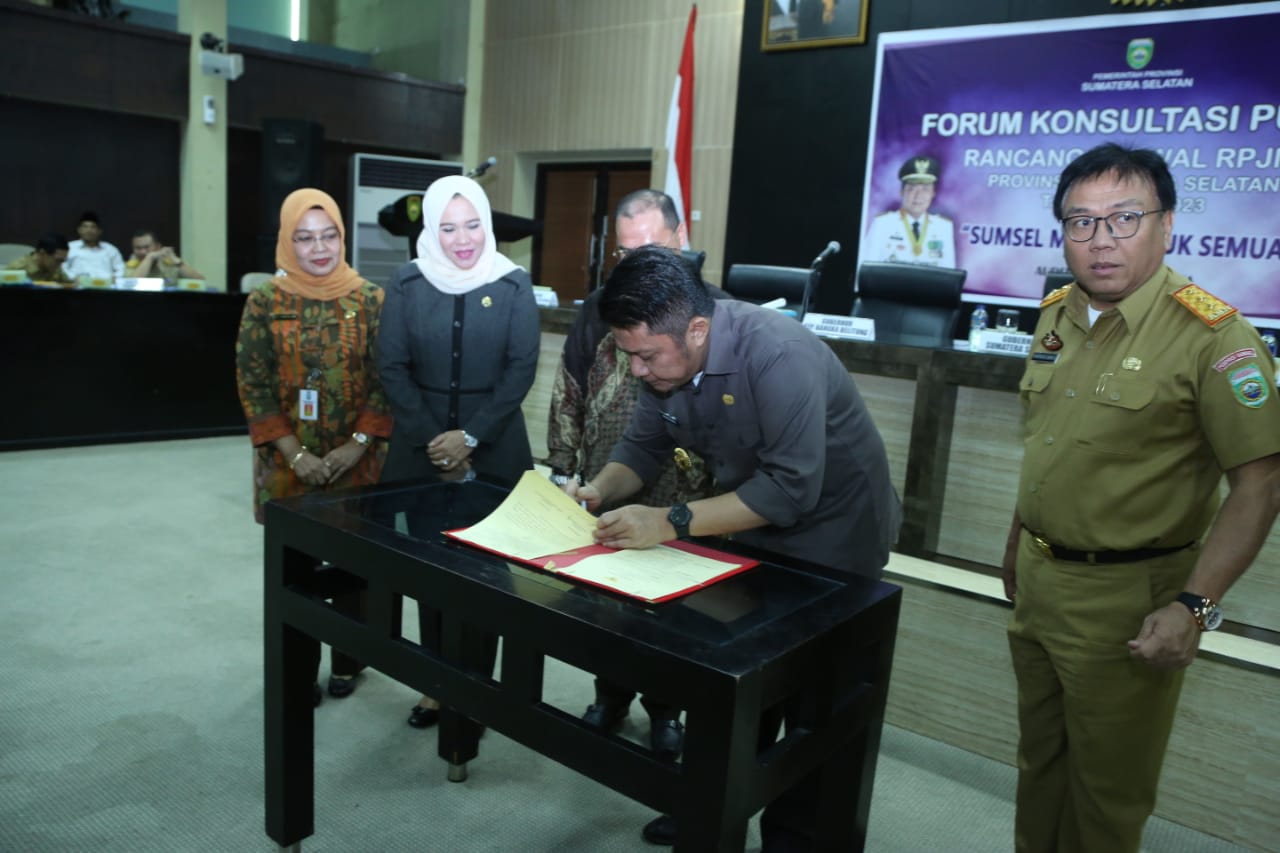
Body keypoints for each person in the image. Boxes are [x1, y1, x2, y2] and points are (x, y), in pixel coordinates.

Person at [568, 246, 902, 851]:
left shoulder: (778, 354)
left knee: (814, 709)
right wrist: (596, 490)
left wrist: (669, 520)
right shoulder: (665, 363)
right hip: (748, 526)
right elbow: (642, 448)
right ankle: (710, 809)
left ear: (698, 330)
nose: (636, 371)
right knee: (735, 685)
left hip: (835, 539)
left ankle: (794, 839)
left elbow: (789, 491)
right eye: (628, 355)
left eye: (646, 356)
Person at [1002, 143, 1280, 853]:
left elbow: (1261, 482)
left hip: (1128, 600)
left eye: (1124, 218)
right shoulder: (1057, 313)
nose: (1101, 241)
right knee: (1039, 766)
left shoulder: (1214, 338)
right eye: (1081, 222)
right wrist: (1016, 543)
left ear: (1167, 224)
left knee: (1106, 795)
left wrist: (1195, 606)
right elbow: (1047, 444)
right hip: (1039, 582)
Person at [546, 189, 725, 759]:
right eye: (625, 253)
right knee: (608, 606)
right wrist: (563, 467)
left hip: (683, 491)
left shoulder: (709, 311)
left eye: (651, 247)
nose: (637, 262)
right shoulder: (599, 308)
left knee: (673, 613)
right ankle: (610, 696)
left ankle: (666, 710)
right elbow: (568, 390)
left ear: (680, 239)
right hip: (613, 471)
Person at [377, 174, 540, 729]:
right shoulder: (407, 281)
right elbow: (392, 366)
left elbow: (521, 369)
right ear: (430, 228)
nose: (462, 239)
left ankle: (477, 685)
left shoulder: (513, 283)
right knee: (430, 569)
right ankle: (434, 684)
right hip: (420, 449)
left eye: (472, 225)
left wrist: (470, 437)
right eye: (447, 228)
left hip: (495, 450)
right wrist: (435, 440)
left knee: (487, 575)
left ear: (487, 225)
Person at [234, 188, 392, 704]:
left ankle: (349, 660)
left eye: (329, 236)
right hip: (287, 464)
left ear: (343, 238)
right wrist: (295, 454)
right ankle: (298, 671)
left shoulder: (371, 299)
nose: (319, 248)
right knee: (294, 572)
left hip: (358, 461)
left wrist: (357, 444)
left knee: (352, 571)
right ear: (287, 241)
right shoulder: (265, 301)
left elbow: (387, 379)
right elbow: (252, 383)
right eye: (304, 238)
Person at [863, 155, 956, 268]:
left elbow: (948, 273)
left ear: (933, 193)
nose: (918, 196)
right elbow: (867, 270)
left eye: (925, 189)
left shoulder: (944, 227)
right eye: (912, 189)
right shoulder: (882, 224)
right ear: (901, 192)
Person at [64, 211, 126, 282]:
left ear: (100, 231)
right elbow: (62, 267)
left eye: (93, 227)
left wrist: (115, 278)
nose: (89, 230)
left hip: (106, 287)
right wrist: (72, 278)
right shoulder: (70, 248)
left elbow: (121, 268)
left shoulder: (110, 249)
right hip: (77, 285)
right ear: (79, 230)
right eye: (85, 227)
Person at [126, 229, 204, 284]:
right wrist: (149, 258)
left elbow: (200, 281)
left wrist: (178, 262)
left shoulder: (170, 263)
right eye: (138, 248)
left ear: (158, 247)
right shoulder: (129, 266)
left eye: (147, 247)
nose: (143, 252)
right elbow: (131, 285)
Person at [7, 233, 74, 285]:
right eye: (58, 260)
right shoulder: (17, 269)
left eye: (62, 261)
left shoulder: (55, 267)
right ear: (42, 253)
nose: (60, 265)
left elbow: (69, 285)